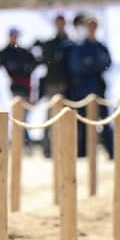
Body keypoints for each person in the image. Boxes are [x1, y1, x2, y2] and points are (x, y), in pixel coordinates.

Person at [64, 14, 114, 159]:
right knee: (82, 122)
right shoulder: (78, 47)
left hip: (98, 88)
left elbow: (107, 63)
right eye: (89, 26)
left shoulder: (100, 46)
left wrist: (91, 64)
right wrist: (94, 65)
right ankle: (82, 152)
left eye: (94, 26)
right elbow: (76, 66)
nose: (92, 29)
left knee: (104, 120)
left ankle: (110, 151)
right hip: (82, 90)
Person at [0, 28, 39, 146]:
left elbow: (36, 65)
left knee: (23, 116)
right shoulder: (4, 53)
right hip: (15, 88)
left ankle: (24, 143)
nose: (14, 38)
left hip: (27, 88)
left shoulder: (24, 52)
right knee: (20, 116)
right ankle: (24, 143)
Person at [36, 13, 71, 157]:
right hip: (52, 84)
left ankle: (64, 147)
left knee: (65, 118)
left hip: (67, 85)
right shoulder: (51, 43)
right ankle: (47, 149)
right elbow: (47, 61)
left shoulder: (69, 42)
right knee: (50, 117)